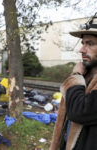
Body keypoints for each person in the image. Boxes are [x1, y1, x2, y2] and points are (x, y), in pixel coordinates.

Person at [50, 13, 97, 150]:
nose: (81, 49)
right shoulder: (85, 76)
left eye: (90, 44)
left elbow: (79, 111)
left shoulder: (78, 77)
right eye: (83, 43)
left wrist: (76, 76)